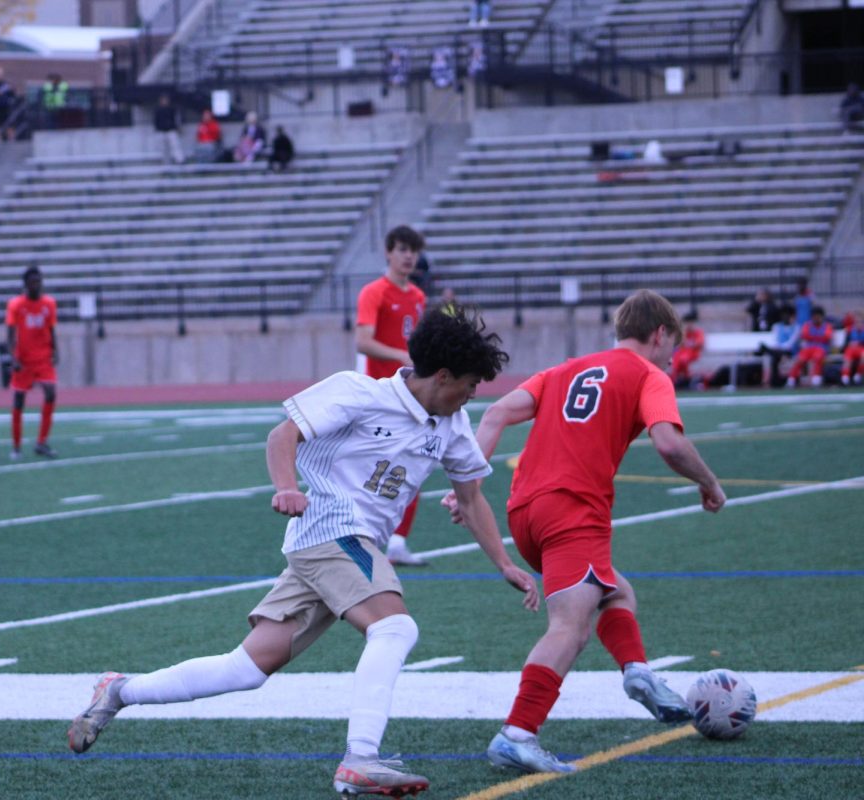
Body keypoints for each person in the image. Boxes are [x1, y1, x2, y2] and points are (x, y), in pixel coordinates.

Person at [67, 303, 540, 798]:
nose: (471, 394)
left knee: (246, 669)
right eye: (468, 383)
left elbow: (471, 498)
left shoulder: (452, 423)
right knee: (395, 626)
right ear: (442, 375)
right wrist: (286, 486)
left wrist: (505, 563)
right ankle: (360, 759)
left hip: (342, 547)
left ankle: (119, 690)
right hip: (330, 529)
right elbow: (283, 434)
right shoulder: (359, 392)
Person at [454, 289, 726, 774]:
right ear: (659, 334)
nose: (671, 358)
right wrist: (709, 482)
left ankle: (638, 671)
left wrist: (467, 489)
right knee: (570, 628)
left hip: (526, 512)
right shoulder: (650, 374)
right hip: (573, 508)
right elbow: (669, 443)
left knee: (614, 590)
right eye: (673, 347)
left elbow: (494, 413)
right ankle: (517, 733)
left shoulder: (564, 369)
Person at [356, 225, 428, 566]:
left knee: (415, 465)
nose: (408, 256)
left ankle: (398, 542)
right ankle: (361, 538)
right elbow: (363, 341)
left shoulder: (417, 296)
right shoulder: (375, 292)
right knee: (371, 471)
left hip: (411, 395)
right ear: (388, 252)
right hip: (382, 396)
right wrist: (400, 356)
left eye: (413, 250)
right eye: (402, 249)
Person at [6, 267, 59, 459]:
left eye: (39, 281)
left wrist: (55, 351)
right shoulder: (16, 305)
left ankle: (41, 442)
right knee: (19, 400)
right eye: (33, 282)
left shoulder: (49, 303)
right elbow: (11, 334)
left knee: (51, 393)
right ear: (26, 284)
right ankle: (16, 445)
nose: (37, 285)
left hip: (43, 358)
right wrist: (13, 358)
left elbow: (51, 329)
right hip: (24, 360)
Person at [787, 306, 834, 388]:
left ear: (822, 317)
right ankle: (792, 380)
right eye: (814, 316)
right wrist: (819, 337)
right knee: (800, 359)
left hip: (821, 348)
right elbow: (804, 335)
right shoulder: (807, 325)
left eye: (818, 316)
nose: (816, 318)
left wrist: (813, 337)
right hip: (808, 348)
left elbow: (828, 336)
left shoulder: (827, 326)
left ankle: (816, 380)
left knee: (817, 358)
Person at [755, 304, 800, 388]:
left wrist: (780, 348)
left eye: (787, 315)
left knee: (772, 354)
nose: (785, 317)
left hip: (789, 351)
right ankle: (775, 381)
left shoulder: (796, 327)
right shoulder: (777, 326)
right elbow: (775, 340)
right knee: (775, 356)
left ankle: (774, 381)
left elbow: (791, 342)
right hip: (778, 351)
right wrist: (778, 348)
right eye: (783, 314)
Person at [670, 311, 704, 389]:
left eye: (690, 323)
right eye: (687, 323)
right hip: (683, 353)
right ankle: (678, 380)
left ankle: (685, 379)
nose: (689, 325)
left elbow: (699, 344)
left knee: (682, 359)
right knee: (677, 358)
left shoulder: (698, 333)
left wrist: (689, 344)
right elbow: (680, 344)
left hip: (693, 354)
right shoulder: (685, 333)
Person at [153, 94, 185, 165]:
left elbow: (177, 119)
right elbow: (156, 121)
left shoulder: (172, 109)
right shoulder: (158, 110)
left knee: (175, 146)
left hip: (171, 130)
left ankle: (180, 160)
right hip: (161, 131)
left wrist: (178, 128)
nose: (164, 101)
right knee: (163, 149)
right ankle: (166, 164)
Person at [840, 311, 864, 386]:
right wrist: (849, 344)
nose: (858, 324)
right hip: (851, 349)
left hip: (861, 349)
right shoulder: (850, 330)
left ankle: (858, 375)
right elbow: (845, 343)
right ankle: (845, 377)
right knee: (847, 358)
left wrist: (859, 343)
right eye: (857, 322)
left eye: (860, 322)